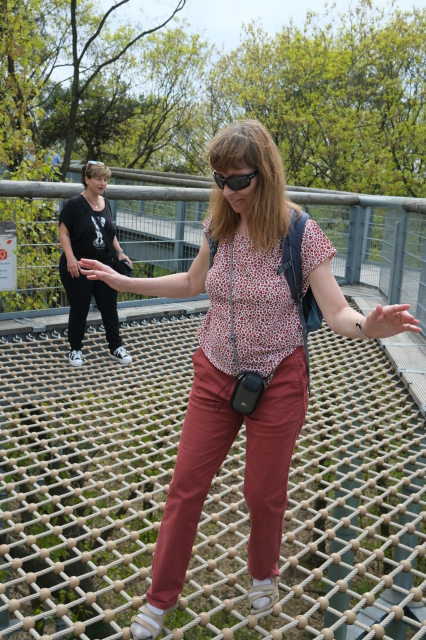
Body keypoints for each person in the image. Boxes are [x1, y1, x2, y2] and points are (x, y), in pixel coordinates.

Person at [79, 121, 420, 640]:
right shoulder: (219, 225)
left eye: (239, 180)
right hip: (215, 370)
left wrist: (369, 327)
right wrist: (122, 280)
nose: (229, 191)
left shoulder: (300, 233)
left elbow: (336, 311)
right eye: (220, 180)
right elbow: (192, 282)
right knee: (184, 488)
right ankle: (158, 599)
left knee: (262, 492)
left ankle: (263, 571)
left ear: (265, 174)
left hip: (279, 377)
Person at [58, 161, 133, 367]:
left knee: (109, 306)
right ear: (87, 179)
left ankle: (115, 347)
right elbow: (63, 232)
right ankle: (75, 349)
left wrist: (120, 253)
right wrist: (70, 257)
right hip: (79, 264)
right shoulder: (74, 204)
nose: (103, 183)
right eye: (98, 179)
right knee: (79, 307)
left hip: (104, 264)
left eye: (105, 179)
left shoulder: (105, 203)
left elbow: (110, 233)